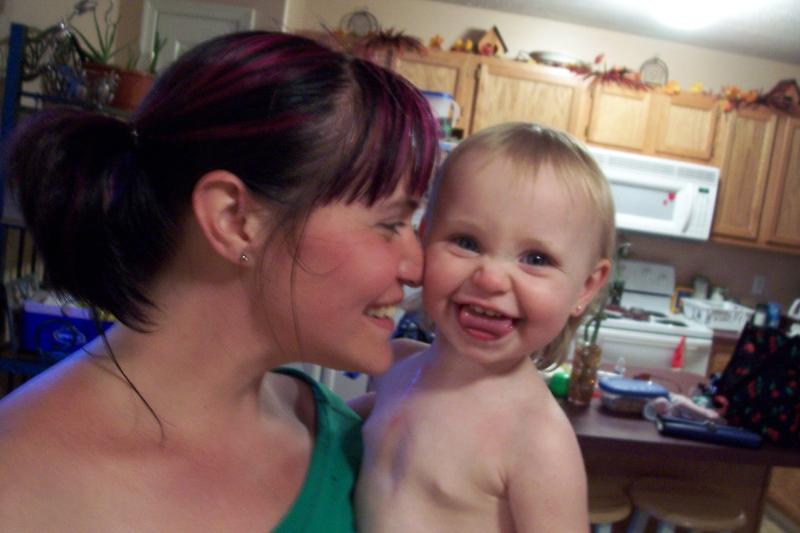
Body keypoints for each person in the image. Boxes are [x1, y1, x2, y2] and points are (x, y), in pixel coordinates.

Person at [0, 31, 438, 531]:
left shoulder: (346, 441)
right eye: (390, 224)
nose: (417, 266)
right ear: (234, 220)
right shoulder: (19, 485)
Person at [357, 122, 615, 532]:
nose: (491, 279)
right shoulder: (396, 365)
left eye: (536, 259)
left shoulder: (538, 440)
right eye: (467, 242)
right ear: (424, 240)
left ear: (585, 286)